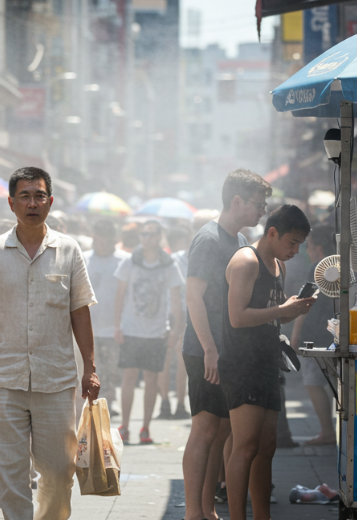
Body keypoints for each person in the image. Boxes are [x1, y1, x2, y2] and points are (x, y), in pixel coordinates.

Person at [0, 167, 99, 520]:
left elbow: (80, 312)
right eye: (24, 196)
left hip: (55, 381)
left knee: (58, 472)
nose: (32, 203)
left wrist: (91, 369)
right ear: (11, 203)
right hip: (3, 380)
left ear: (51, 202)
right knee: (11, 476)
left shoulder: (68, 251)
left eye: (39, 196)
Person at [182, 168, 269, 520]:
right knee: (205, 429)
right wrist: (210, 350)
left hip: (224, 350)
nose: (262, 211)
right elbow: (193, 297)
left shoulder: (238, 241)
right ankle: (192, 513)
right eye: (258, 204)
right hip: (205, 350)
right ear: (237, 201)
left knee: (220, 429)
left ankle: (206, 509)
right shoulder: (209, 239)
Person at [223, 205, 315, 520]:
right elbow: (237, 317)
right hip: (242, 363)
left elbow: (275, 316)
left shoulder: (279, 265)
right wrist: (282, 311)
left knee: (266, 446)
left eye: (300, 244)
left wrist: (294, 309)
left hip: (267, 362)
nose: (295, 250)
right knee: (245, 446)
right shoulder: (246, 261)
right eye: (292, 242)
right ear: (272, 232)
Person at [113, 220, 184, 444]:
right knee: (129, 377)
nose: (147, 238)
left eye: (152, 234)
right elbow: (120, 295)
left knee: (152, 379)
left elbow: (175, 301)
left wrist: (175, 330)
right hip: (132, 330)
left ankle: (145, 427)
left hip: (156, 332)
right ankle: (124, 426)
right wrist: (117, 325)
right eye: (143, 234)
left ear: (160, 236)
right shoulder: (130, 261)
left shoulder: (169, 264)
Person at [289, 224, 336, 446]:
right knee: (337, 383)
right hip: (337, 333)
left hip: (316, 335)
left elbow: (304, 302)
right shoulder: (341, 265)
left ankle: (328, 431)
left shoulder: (317, 267)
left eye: (307, 246)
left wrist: (295, 335)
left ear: (317, 247)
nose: (306, 251)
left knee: (312, 382)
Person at [84, 219, 129, 416]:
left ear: (113, 239)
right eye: (98, 239)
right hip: (89, 325)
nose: (101, 243)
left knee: (113, 367)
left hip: (114, 325)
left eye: (106, 239)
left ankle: (111, 399)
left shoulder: (124, 259)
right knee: (94, 366)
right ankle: (95, 400)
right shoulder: (84, 258)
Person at [159, 223, 192, 420]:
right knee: (166, 358)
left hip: (188, 313)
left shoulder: (196, 260)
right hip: (171, 313)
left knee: (181, 361)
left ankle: (179, 404)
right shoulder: (174, 260)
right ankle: (165, 403)